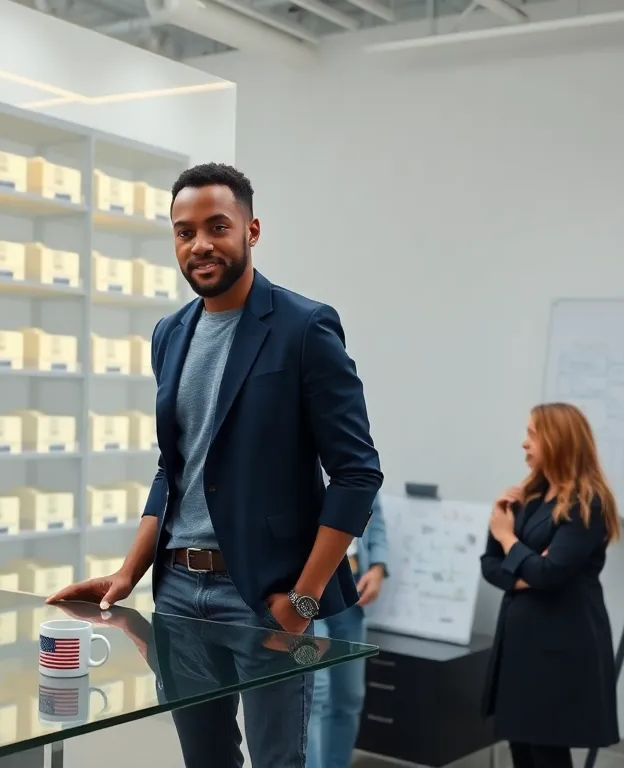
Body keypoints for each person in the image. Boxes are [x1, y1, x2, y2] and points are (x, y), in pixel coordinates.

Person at [48, 162, 382, 768]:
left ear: (251, 231)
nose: (199, 244)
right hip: (177, 593)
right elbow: (173, 469)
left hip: (266, 597)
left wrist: (301, 603)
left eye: (216, 226)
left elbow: (357, 474)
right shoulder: (169, 334)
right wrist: (129, 573)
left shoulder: (304, 327)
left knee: (279, 762)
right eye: (184, 231)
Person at [479, 402, 622, 768]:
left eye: (532, 434)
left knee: (546, 753)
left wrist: (509, 539)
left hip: (559, 648)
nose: (524, 444)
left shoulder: (587, 503)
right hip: (520, 648)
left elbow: (548, 573)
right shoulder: (527, 497)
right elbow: (490, 565)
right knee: (521, 748)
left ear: (558, 440)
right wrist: (526, 566)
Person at [307, 490, 388, 768]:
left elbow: (373, 509)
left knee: (349, 695)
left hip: (350, 584)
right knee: (315, 692)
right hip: (304, 584)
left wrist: (378, 566)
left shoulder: (355, 449)